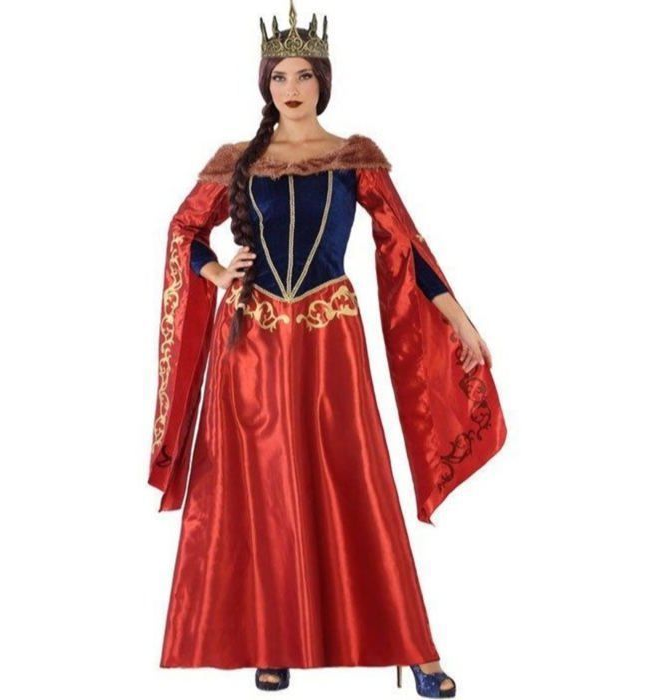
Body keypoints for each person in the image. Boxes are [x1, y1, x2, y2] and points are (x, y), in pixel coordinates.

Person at [147, 2, 507, 696]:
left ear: (324, 80)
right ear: (265, 83)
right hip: (250, 344)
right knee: (261, 491)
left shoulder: (354, 157)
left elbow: (405, 246)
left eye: (304, 75)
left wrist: (459, 319)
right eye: (280, 75)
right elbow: (183, 231)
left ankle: (417, 652)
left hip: (328, 340)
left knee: (356, 481)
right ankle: (273, 640)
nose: (292, 87)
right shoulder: (237, 161)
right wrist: (216, 273)